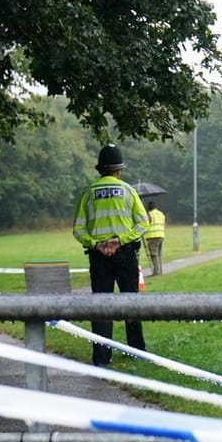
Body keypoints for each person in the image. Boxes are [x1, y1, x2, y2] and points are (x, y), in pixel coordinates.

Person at [71, 144, 150, 367]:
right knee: (131, 303)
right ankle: (137, 350)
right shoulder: (128, 190)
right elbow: (143, 223)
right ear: (119, 170)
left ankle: (102, 357)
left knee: (101, 306)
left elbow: (78, 229)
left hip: (98, 257)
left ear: (99, 170)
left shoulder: (87, 193)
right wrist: (120, 240)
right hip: (125, 253)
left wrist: (96, 245)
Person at [144, 196, 167, 277]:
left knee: (154, 255)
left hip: (152, 236)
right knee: (159, 254)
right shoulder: (161, 214)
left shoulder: (149, 214)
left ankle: (156, 272)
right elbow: (164, 224)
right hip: (161, 235)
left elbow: (145, 224)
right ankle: (160, 271)